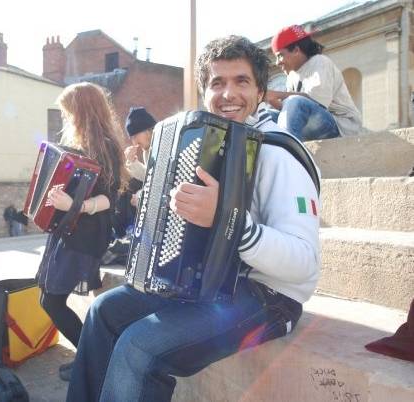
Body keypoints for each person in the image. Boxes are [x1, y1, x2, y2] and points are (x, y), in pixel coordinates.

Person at [66, 35, 321, 402]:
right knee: (104, 310)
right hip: (212, 282)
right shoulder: (210, 144)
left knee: (140, 347)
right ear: (204, 92)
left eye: (241, 81)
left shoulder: (279, 152)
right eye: (217, 83)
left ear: (261, 90)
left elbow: (304, 265)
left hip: (269, 295)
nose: (228, 93)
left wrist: (227, 222)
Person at [36, 82, 129, 381]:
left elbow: (110, 198)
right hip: (67, 230)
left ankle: (93, 363)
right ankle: (91, 359)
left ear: (83, 111)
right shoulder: (83, 143)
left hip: (85, 233)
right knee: (48, 299)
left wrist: (74, 205)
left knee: (51, 301)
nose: (67, 118)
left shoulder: (105, 144)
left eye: (69, 112)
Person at [264, 24, 362, 141]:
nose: (277, 62)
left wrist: (276, 94)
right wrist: (269, 99)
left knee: (294, 102)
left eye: (280, 56)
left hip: (341, 127)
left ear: (296, 50)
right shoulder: (292, 76)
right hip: (312, 122)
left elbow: (314, 102)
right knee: (265, 115)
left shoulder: (320, 62)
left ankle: (288, 154)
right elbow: (291, 113)